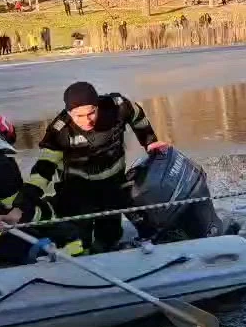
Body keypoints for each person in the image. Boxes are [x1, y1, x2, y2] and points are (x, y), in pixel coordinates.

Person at [19, 82, 168, 252]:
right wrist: (26, 200)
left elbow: (138, 117)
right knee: (80, 239)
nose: (87, 120)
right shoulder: (60, 130)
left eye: (91, 113)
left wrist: (150, 142)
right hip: (77, 189)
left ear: (98, 106)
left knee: (110, 235)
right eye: (79, 116)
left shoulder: (118, 107)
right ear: (69, 113)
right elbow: (44, 167)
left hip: (112, 184)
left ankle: (111, 249)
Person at [0, 114, 83, 265]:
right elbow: (18, 209)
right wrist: (51, 212)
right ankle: (71, 272)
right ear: (6, 136)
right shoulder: (1, 163)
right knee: (67, 233)